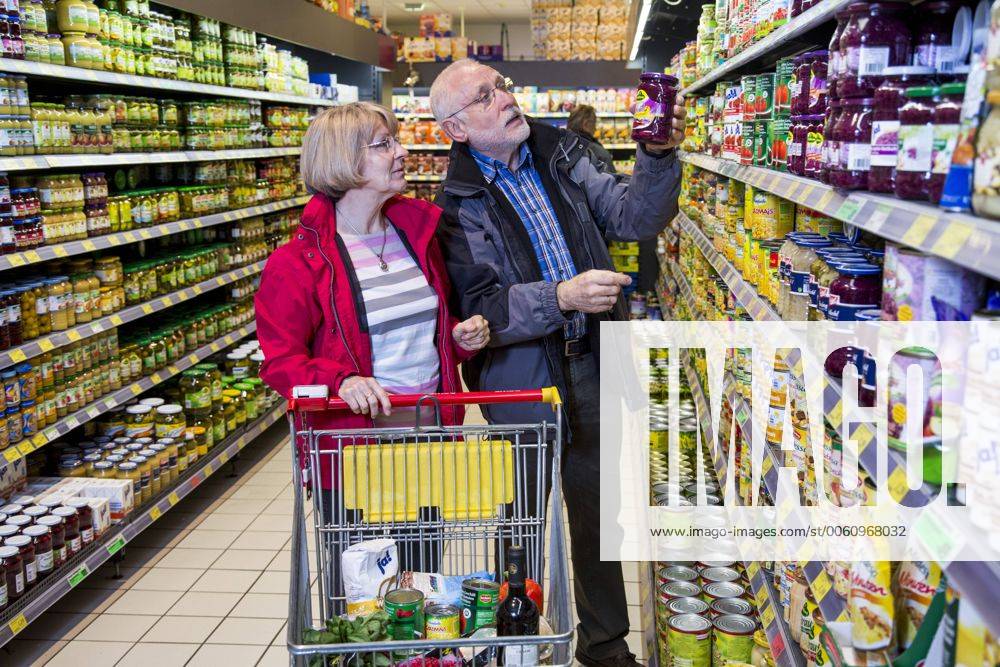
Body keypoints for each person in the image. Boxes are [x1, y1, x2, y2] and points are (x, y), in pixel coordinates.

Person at [430, 59, 684, 667]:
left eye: (502, 87)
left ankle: (605, 646)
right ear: (455, 129)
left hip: (592, 362)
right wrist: (562, 296)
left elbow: (635, 217)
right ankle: (513, 641)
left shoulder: (565, 151)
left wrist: (656, 155)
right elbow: (484, 307)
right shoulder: (456, 204)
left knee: (598, 513)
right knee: (519, 518)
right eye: (484, 97)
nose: (505, 99)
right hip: (519, 384)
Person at [254, 101, 491, 574]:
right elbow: (280, 361)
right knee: (364, 587)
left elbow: (421, 332)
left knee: (422, 575)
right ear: (345, 160)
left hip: (428, 437)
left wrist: (460, 339)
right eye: (385, 145)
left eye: (396, 140)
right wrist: (340, 380)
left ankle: (421, 653)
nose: (401, 152)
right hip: (355, 453)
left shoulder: (416, 234)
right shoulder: (298, 263)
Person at [566, 104, 615, 172]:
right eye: (594, 123)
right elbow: (611, 180)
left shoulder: (558, 148)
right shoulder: (598, 153)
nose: (595, 129)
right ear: (585, 124)